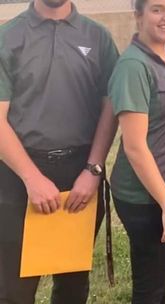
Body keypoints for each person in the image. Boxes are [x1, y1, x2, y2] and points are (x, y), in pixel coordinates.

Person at [0, 0, 119, 303]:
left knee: (72, 286)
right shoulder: (8, 37)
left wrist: (93, 170)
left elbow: (110, 106)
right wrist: (31, 179)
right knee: (14, 288)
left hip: (80, 172)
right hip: (18, 175)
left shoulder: (98, 38)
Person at [107, 0, 165, 302]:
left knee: (164, 279)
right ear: (138, 16)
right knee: (150, 287)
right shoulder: (134, 67)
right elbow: (134, 146)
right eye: (157, 9)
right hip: (147, 197)